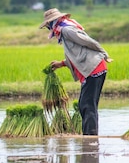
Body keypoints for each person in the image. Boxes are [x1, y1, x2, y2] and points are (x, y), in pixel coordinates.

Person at [39, 8, 113, 136]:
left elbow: (88, 41)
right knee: (86, 104)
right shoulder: (64, 30)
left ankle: (90, 138)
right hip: (93, 69)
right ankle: (90, 135)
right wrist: (61, 64)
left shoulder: (67, 30)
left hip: (94, 68)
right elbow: (77, 55)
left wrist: (104, 54)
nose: (49, 29)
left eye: (48, 26)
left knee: (86, 105)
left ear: (53, 23)